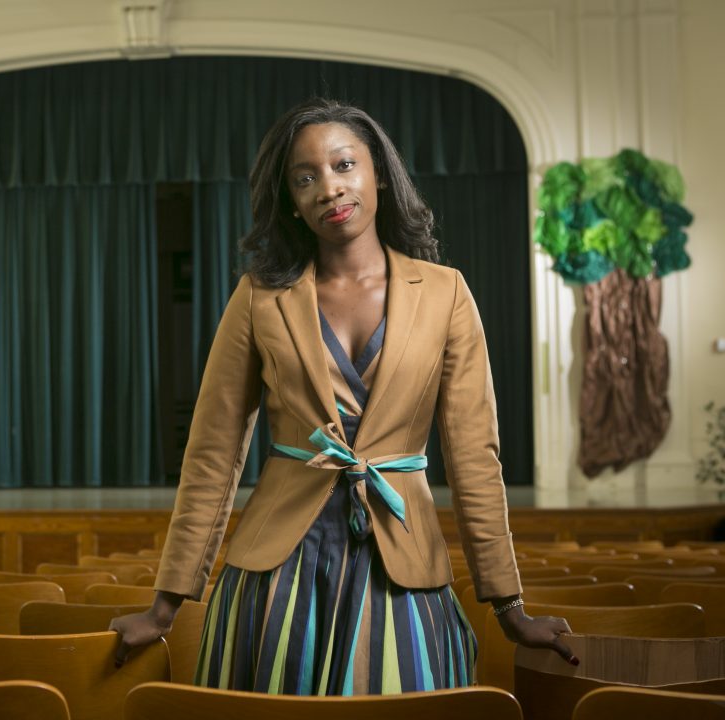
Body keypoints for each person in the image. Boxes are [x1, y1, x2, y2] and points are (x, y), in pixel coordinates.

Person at [111, 98, 575, 694]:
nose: (329, 188)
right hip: (275, 573)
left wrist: (510, 607)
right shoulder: (258, 297)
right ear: (292, 203)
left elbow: (474, 459)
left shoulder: (446, 294)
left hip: (404, 569)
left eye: (343, 166)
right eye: (305, 178)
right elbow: (212, 454)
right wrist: (165, 604)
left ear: (377, 172)